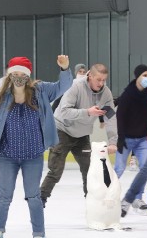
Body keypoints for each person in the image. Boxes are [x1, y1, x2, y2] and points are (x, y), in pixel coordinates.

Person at [0, 55, 72, 238]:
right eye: (15, 73)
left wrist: (65, 69)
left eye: (23, 73)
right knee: (4, 197)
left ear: (28, 75)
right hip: (7, 156)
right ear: (10, 74)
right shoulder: (2, 97)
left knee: (34, 197)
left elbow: (63, 86)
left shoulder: (40, 92)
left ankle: (39, 237)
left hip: (33, 155)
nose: (19, 77)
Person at [39, 63, 117, 207]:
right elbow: (64, 111)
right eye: (98, 79)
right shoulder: (75, 86)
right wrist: (87, 112)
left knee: (89, 171)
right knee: (56, 170)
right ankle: (40, 199)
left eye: (104, 80)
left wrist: (113, 141)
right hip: (62, 131)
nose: (101, 83)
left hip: (82, 135)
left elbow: (110, 117)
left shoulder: (105, 93)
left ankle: (91, 202)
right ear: (90, 76)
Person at [114, 64, 147, 210]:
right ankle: (109, 196)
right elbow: (120, 117)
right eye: (144, 75)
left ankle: (137, 198)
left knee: (145, 168)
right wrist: (120, 138)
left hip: (142, 140)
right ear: (137, 77)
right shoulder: (128, 95)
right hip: (126, 139)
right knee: (119, 169)